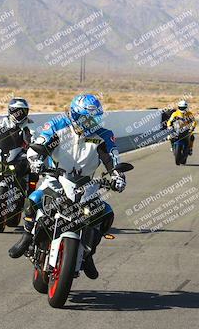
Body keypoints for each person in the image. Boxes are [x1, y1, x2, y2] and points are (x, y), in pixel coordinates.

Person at [9, 94, 126, 280]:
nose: (89, 122)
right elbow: (39, 144)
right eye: (84, 118)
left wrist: (118, 175)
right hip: (55, 178)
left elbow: (112, 157)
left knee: (106, 214)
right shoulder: (58, 126)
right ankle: (26, 237)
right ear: (73, 114)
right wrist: (35, 159)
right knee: (33, 200)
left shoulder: (103, 135)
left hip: (87, 184)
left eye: (93, 118)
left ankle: (88, 254)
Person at [0, 97, 38, 200]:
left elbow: (32, 136)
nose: (18, 114)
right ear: (10, 111)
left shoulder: (29, 124)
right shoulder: (2, 122)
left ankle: (30, 195)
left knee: (33, 171)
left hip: (20, 153)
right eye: (16, 111)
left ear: (26, 112)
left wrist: (33, 144)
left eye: (21, 112)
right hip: (3, 151)